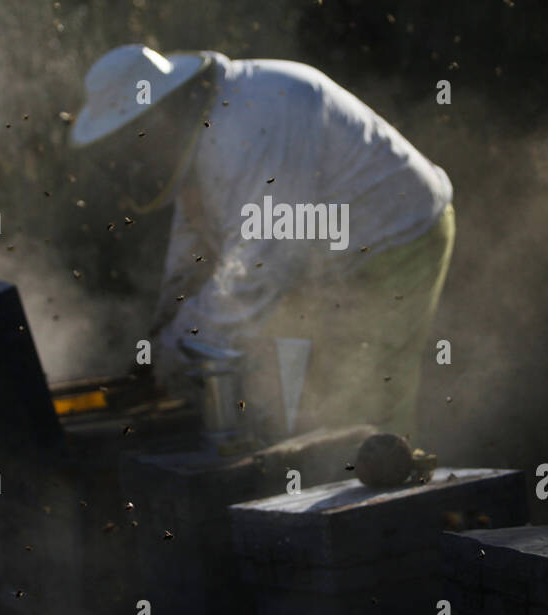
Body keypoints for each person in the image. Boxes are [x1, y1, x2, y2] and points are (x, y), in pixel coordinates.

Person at [72, 44, 454, 441]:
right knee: (302, 403)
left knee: (360, 409)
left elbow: (262, 266)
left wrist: (178, 347)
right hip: (323, 253)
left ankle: (391, 492)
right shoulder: (206, 127)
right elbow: (196, 246)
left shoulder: (251, 125)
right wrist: (164, 331)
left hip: (393, 240)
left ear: (157, 114)